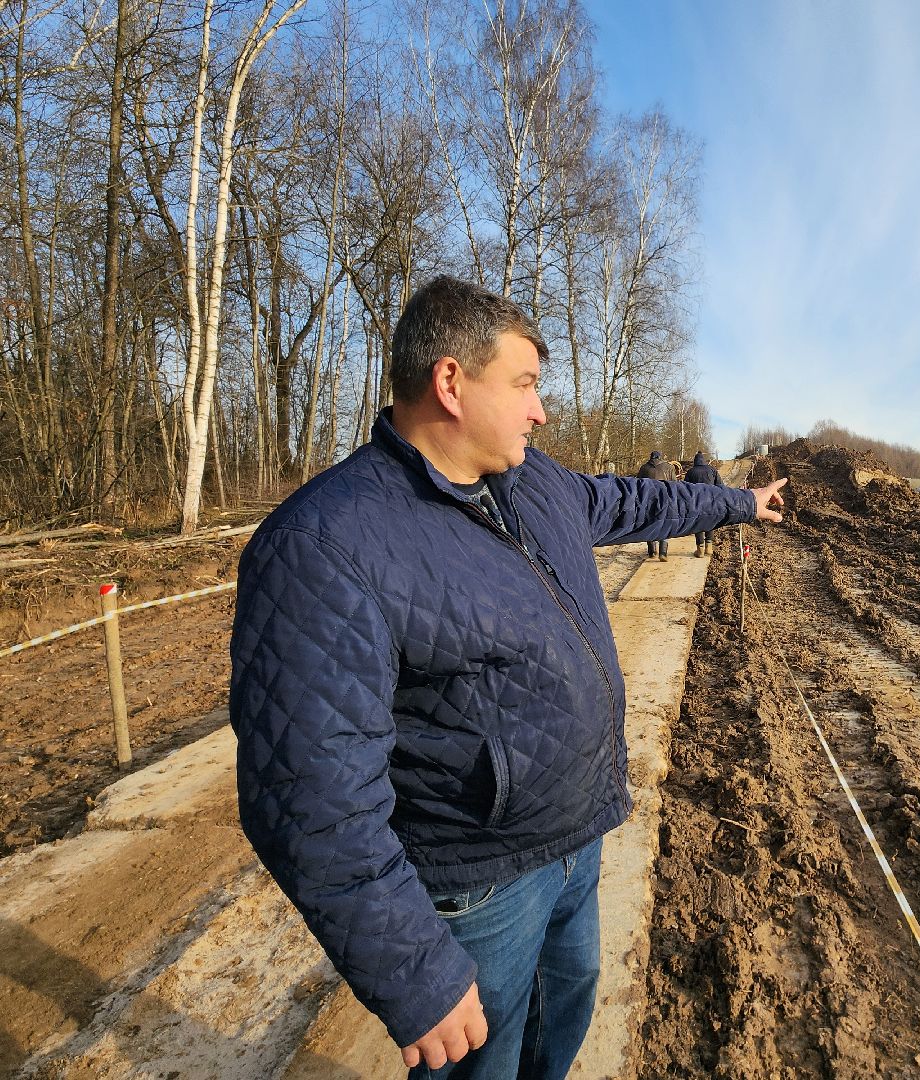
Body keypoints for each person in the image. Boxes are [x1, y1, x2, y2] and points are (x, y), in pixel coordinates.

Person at [229, 275, 786, 1080]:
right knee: (483, 1068)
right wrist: (413, 972)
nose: (540, 410)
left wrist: (737, 504)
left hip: (576, 837)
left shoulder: (537, 484)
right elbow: (308, 797)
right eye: (524, 384)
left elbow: (636, 504)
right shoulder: (325, 545)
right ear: (451, 381)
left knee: (563, 1019)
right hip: (481, 889)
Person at [684, 451, 724, 556]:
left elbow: (685, 488)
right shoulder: (712, 470)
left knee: (698, 523)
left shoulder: (690, 472)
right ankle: (709, 548)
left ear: (695, 461)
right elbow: (720, 485)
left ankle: (700, 549)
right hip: (711, 501)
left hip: (696, 501)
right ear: (704, 460)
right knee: (710, 522)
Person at [635, 450, 673, 560]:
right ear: (660, 457)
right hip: (664, 499)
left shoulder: (644, 468)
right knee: (664, 524)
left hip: (648, 499)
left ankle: (652, 551)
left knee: (649, 523)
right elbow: (674, 484)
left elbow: (638, 484)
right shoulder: (669, 467)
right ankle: (663, 552)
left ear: (650, 457)